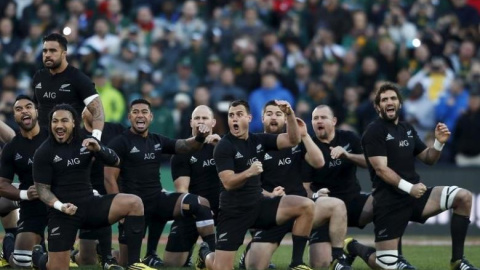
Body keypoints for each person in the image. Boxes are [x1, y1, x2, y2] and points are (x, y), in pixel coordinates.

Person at [348, 82, 477, 270]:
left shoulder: (406, 128)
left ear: (399, 104)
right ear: (377, 107)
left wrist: (438, 144)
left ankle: (457, 261)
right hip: (389, 202)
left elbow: (428, 158)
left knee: (463, 197)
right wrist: (410, 188)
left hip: (416, 197)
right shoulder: (373, 131)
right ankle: (354, 247)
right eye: (384, 100)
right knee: (387, 266)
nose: (389, 102)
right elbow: (381, 169)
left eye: (393, 98)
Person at [196, 100, 315, 270]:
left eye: (239, 115)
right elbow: (228, 183)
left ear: (249, 118)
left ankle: (297, 263)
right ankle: (206, 254)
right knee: (220, 267)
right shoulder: (223, 146)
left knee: (307, 205)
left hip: (259, 205)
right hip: (234, 212)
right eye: (231, 115)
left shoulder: (258, 140)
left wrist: (289, 114)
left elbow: (293, 140)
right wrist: (249, 172)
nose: (234, 119)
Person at [31, 103, 153, 270]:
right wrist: (61, 206)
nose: (59, 125)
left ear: (74, 123)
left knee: (135, 203)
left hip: (90, 205)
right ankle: (40, 258)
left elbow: (116, 161)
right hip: (63, 213)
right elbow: (42, 190)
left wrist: (99, 148)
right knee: (57, 267)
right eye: (55, 121)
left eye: (64, 121)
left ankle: (133, 263)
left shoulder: (86, 141)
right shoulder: (43, 151)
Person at [238, 100, 351, 270]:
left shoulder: (297, 142)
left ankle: (334, 258)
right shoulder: (254, 144)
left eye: (278, 114)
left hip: (303, 211)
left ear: (285, 119)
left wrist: (304, 135)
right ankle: (249, 251)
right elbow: (247, 186)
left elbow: (319, 162)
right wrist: (269, 195)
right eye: (269, 114)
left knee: (336, 205)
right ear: (262, 118)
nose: (273, 118)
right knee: (254, 265)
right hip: (273, 211)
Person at [104, 99, 217, 267]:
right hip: (133, 208)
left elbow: (185, 146)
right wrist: (120, 210)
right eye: (135, 112)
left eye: (144, 112)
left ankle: (213, 253)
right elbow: (109, 178)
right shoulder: (120, 142)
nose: (140, 116)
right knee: (126, 262)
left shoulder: (157, 140)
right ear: (129, 117)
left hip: (158, 201)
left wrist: (200, 137)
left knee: (200, 203)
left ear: (151, 117)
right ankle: (107, 254)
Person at [302, 104, 416, 269]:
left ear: (334, 121)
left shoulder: (348, 137)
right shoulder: (309, 147)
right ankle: (349, 248)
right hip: (326, 209)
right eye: (315, 118)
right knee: (319, 264)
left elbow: (370, 161)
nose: (319, 121)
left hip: (353, 202)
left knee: (388, 201)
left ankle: (394, 256)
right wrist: (316, 196)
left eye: (323, 117)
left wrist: (347, 155)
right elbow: (304, 188)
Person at [70, 108, 125, 270]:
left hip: (111, 192)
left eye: (98, 107)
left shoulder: (117, 129)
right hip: (84, 194)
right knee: (87, 259)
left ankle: (108, 256)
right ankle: (73, 254)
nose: (95, 111)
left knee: (125, 259)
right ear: (82, 114)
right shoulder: (75, 135)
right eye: (89, 108)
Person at [168, 105, 222, 267]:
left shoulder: (225, 145)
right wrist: (202, 211)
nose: (201, 121)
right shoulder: (182, 151)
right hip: (195, 211)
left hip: (225, 209)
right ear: (191, 122)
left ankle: (206, 251)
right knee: (172, 264)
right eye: (197, 118)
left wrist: (219, 148)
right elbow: (182, 191)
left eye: (205, 118)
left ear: (213, 122)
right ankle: (191, 250)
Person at [0, 95, 48, 268]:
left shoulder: (53, 135)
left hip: (59, 199)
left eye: (28, 107)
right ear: (14, 116)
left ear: (37, 111)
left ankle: (102, 252)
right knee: (21, 263)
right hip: (31, 200)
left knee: (77, 258)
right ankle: (11, 242)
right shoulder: (12, 147)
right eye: (19, 109)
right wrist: (24, 194)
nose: (24, 111)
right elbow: (2, 185)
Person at [32, 33, 105, 141]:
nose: (47, 54)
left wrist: (96, 138)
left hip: (69, 142)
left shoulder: (78, 78)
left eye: (53, 51)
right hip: (42, 141)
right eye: (45, 51)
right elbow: (36, 107)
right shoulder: (39, 76)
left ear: (64, 54)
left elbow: (97, 111)